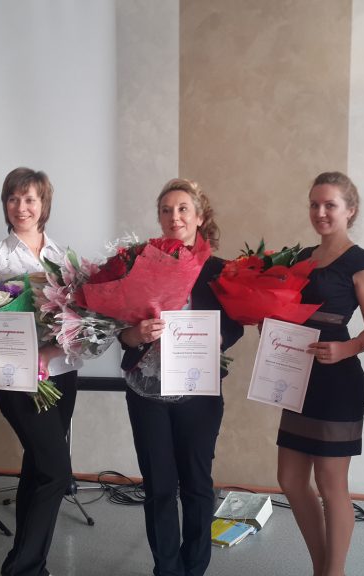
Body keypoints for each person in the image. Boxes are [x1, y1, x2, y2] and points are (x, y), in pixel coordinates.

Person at [118, 178, 243, 576]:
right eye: (167, 210)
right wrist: (136, 334)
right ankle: (167, 569)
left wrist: (219, 337)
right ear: (159, 217)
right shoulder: (138, 264)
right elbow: (117, 329)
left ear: (199, 217)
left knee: (197, 483)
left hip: (198, 388)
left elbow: (237, 323)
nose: (175, 217)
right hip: (146, 390)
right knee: (158, 485)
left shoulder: (220, 271)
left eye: (183, 209)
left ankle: (195, 566)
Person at [0, 167, 78, 576]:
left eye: (30, 199)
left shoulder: (63, 257)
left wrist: (51, 349)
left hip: (62, 371)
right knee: (56, 471)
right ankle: (22, 568)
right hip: (14, 375)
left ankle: (32, 565)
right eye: (13, 198)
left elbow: (79, 322)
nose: (21, 207)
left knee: (38, 468)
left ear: (44, 204)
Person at [277, 171, 364, 576]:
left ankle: (331, 571)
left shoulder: (361, 261)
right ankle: (323, 567)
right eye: (314, 204)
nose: (320, 212)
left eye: (330, 205)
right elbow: (287, 310)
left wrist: (346, 348)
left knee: (330, 483)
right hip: (298, 377)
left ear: (349, 210)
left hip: (338, 380)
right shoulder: (301, 257)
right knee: (289, 479)